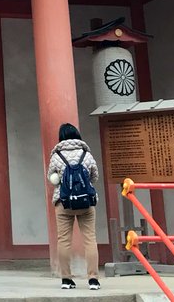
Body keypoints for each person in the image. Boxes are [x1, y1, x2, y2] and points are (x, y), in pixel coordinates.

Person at [46, 123, 101, 291]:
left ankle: (66, 279)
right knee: (90, 239)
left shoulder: (56, 156)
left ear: (61, 137)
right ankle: (93, 279)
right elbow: (94, 177)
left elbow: (51, 177)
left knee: (64, 240)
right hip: (86, 202)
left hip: (64, 203)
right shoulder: (86, 154)